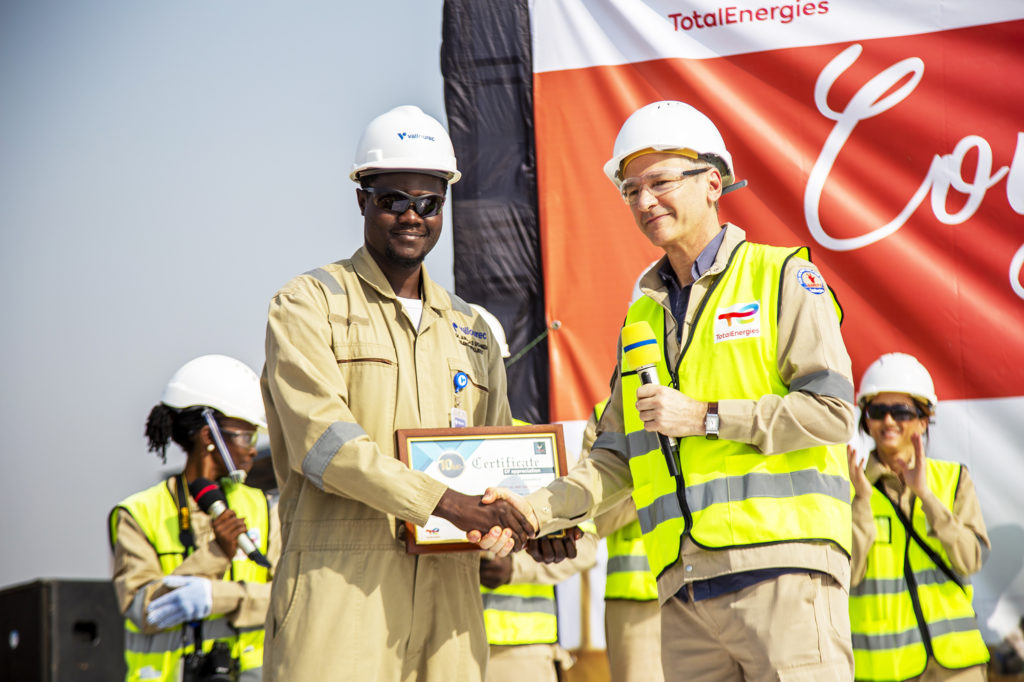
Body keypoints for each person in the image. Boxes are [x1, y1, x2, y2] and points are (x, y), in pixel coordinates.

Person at [484, 100, 857, 681]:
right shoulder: (641, 319)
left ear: (713, 182)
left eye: (659, 181)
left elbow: (832, 414)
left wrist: (706, 417)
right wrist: (531, 511)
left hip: (784, 575)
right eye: (631, 190)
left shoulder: (783, 277)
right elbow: (613, 457)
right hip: (684, 594)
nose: (644, 201)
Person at [260, 104, 533, 682]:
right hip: (339, 591)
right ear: (362, 198)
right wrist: (444, 502)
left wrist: (537, 522)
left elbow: (505, 457)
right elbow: (323, 444)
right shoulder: (310, 304)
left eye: (429, 202)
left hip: (450, 596)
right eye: (393, 200)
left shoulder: (475, 329)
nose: (413, 215)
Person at [109, 354, 279, 682]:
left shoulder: (264, 508)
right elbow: (143, 610)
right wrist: (216, 555)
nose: (253, 449)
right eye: (246, 436)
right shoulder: (139, 513)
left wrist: (215, 598)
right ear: (208, 437)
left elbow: (286, 598)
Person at [471, 303, 600, 682]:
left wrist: (515, 568)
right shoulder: (428, 448)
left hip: (521, 652)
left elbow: (586, 543)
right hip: (435, 642)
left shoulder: (537, 445)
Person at [847, 353, 990, 681]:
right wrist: (861, 502)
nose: (888, 421)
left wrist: (926, 496)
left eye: (901, 411)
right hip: (886, 671)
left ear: (924, 419)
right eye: (877, 411)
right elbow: (848, 575)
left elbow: (971, 559)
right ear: (865, 419)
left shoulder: (953, 479)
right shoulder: (848, 486)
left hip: (958, 667)